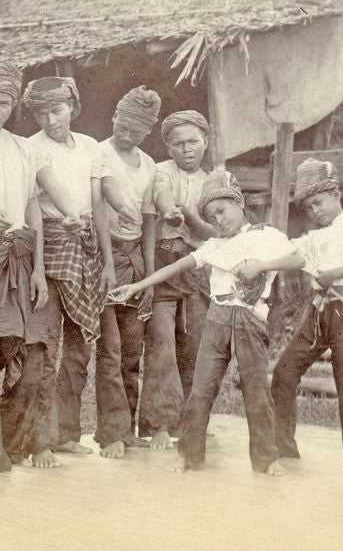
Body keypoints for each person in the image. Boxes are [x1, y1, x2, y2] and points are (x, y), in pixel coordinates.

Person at [109, 170, 304, 476]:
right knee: (200, 390)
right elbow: (178, 265)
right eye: (212, 217)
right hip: (217, 317)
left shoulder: (266, 236)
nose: (219, 220)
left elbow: (298, 259)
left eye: (222, 211)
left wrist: (261, 265)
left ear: (240, 203)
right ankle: (189, 455)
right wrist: (138, 286)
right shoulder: (214, 245)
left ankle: (267, 458)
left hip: (250, 318)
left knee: (255, 390)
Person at [0, 60, 85, 478]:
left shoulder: (25, 148)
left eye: (5, 103)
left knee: (33, 351)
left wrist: (41, 266)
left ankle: (13, 444)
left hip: (24, 255)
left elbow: (35, 205)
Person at [21, 76, 116, 460]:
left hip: (86, 250)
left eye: (57, 110)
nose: (50, 120)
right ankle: (38, 441)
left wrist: (108, 262)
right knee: (45, 348)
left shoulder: (91, 147)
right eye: (41, 113)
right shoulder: (31, 148)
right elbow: (35, 210)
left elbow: (98, 207)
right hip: (50, 248)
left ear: (73, 107)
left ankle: (65, 433)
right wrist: (37, 268)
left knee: (79, 350)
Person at [271, 158, 343, 466]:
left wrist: (333, 274)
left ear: (336, 194)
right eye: (309, 207)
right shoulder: (314, 238)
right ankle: (284, 449)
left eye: (318, 202)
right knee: (284, 372)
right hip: (319, 311)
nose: (315, 211)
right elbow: (290, 255)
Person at [93, 85, 160, 459]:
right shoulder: (99, 153)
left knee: (132, 350)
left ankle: (128, 429)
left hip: (135, 262)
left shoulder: (149, 165)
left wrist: (148, 276)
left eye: (137, 130)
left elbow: (149, 221)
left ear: (148, 131)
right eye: (123, 125)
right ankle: (112, 433)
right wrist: (106, 263)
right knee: (111, 349)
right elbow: (100, 208)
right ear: (114, 116)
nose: (127, 134)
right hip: (105, 257)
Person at [143, 110, 217, 446]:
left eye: (192, 142)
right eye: (177, 143)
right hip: (165, 261)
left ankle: (191, 420)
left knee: (197, 346)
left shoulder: (215, 181)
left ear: (206, 142)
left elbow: (216, 231)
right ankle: (160, 423)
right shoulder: (162, 171)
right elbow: (162, 195)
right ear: (168, 147)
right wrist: (169, 211)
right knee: (162, 344)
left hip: (199, 269)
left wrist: (187, 215)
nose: (186, 149)